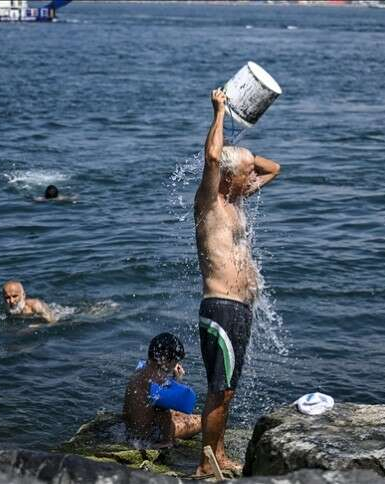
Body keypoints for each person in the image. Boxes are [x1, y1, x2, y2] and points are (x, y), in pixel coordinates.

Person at [192, 88, 281, 477]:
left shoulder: (237, 200)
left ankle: (218, 454)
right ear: (227, 177)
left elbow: (273, 168)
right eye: (246, 173)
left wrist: (245, 136)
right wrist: (220, 112)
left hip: (239, 308)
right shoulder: (210, 202)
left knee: (226, 391)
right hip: (221, 307)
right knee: (219, 390)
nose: (253, 178)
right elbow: (213, 156)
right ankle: (207, 464)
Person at [123, 333, 201, 447]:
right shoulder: (156, 380)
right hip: (150, 434)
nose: (176, 364)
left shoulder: (142, 370)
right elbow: (183, 404)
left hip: (132, 429)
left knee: (171, 410)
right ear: (164, 359)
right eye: (175, 361)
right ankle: (167, 442)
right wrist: (178, 379)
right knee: (205, 420)